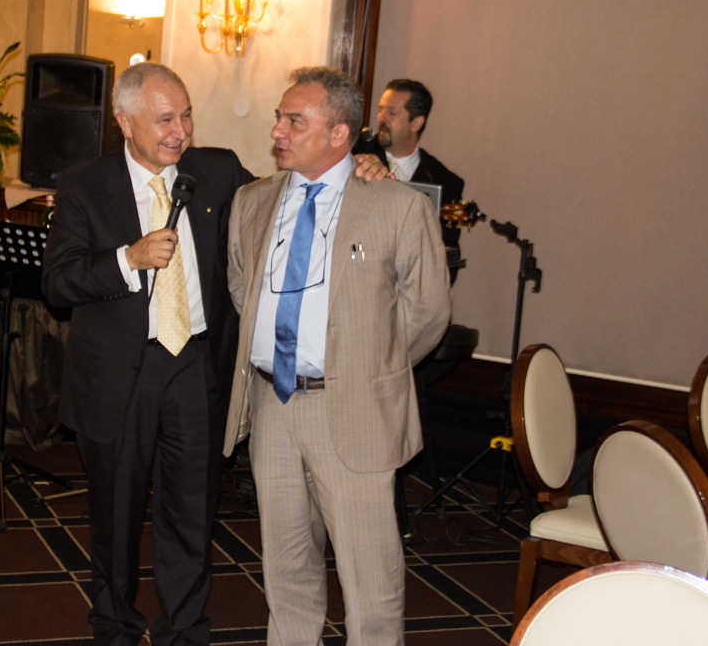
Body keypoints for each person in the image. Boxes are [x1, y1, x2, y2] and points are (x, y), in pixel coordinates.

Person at [40, 62, 388, 646]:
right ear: (125, 121)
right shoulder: (84, 185)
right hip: (117, 378)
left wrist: (359, 164)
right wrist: (127, 259)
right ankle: (115, 627)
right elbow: (57, 283)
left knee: (190, 514)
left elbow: (294, 191)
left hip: (196, 368)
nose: (180, 131)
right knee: (115, 519)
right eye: (164, 120)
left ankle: (183, 631)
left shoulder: (218, 171)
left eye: (186, 116)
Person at [223, 66, 451, 645]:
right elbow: (242, 288)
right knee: (286, 568)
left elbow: (427, 312)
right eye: (279, 117)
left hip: (352, 410)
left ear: (339, 134)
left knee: (369, 579)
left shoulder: (397, 206)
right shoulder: (251, 201)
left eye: (294, 120)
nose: (277, 130)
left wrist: (367, 368)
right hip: (272, 402)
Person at [373, 79, 466, 282]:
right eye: (380, 110)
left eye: (392, 113)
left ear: (416, 123)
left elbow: (448, 259)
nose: (381, 119)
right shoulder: (357, 157)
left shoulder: (446, 182)